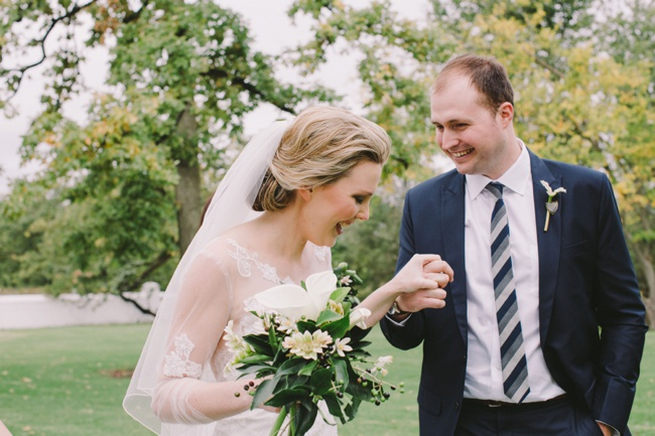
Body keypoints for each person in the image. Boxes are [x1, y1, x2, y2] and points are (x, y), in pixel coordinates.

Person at [123, 106, 452, 436]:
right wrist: (260, 389)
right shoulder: (221, 262)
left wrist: (396, 288)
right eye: (358, 198)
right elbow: (166, 397)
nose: (364, 214)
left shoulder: (318, 253)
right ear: (309, 185)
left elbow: (332, 337)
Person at [380, 54, 647, 436]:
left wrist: (606, 420)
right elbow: (404, 334)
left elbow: (624, 315)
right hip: (461, 423)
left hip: (566, 418)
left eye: (459, 125)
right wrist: (403, 308)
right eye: (438, 127)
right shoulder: (423, 204)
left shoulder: (586, 191)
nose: (446, 141)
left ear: (504, 114)